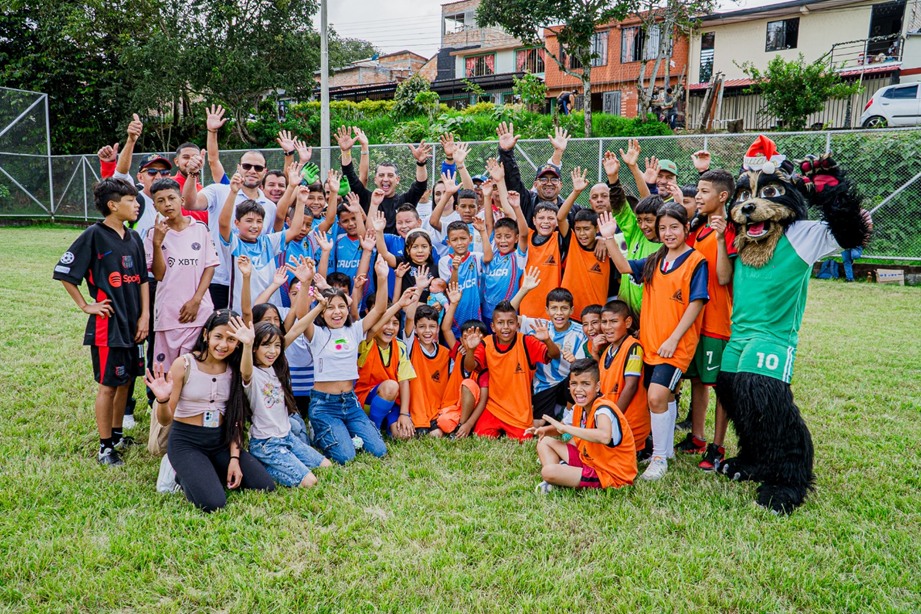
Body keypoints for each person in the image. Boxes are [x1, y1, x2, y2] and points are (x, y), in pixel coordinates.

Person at [600, 205, 708, 481]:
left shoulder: (697, 261)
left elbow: (696, 303)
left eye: (674, 227)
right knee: (665, 397)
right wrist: (609, 237)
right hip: (649, 343)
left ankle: (659, 458)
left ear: (686, 228)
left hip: (674, 346)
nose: (668, 233)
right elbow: (624, 266)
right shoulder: (654, 260)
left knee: (656, 397)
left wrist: (673, 339)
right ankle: (667, 449)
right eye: (663, 228)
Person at [54, 178, 149, 466]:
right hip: (109, 326)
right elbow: (65, 273)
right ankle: (105, 447)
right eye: (131, 200)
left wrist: (145, 316)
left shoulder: (133, 237)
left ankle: (118, 433)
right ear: (113, 205)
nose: (137, 204)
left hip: (135, 324)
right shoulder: (94, 235)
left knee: (126, 382)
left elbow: (143, 279)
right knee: (108, 385)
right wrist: (86, 305)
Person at [143, 311, 275, 512]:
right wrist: (163, 400)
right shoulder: (185, 364)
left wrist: (234, 459)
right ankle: (177, 471)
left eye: (231, 339)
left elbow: (236, 420)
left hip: (220, 441)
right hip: (186, 443)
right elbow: (165, 419)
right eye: (218, 337)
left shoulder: (234, 368)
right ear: (206, 335)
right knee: (214, 503)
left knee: (265, 485)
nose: (223, 345)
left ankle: (206, 469)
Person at [300, 257, 394, 464]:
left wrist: (382, 277)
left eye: (341, 306)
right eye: (330, 307)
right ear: (322, 312)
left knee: (379, 452)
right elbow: (301, 315)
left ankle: (344, 432)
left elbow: (379, 309)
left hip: (350, 402)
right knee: (346, 457)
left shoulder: (354, 330)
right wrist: (306, 282)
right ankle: (318, 429)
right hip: (324, 405)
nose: (337, 312)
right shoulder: (316, 334)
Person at [675, 169, 737, 470]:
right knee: (698, 380)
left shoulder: (732, 229)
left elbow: (725, 278)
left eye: (703, 192)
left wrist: (722, 238)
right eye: (696, 192)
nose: (697, 197)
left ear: (722, 196)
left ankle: (718, 445)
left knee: (719, 385)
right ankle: (697, 436)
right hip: (694, 320)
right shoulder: (697, 228)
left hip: (717, 321)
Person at [236, 317, 333, 489]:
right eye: (266, 345)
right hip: (267, 443)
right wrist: (247, 344)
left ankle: (284, 458)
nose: (273, 351)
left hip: (288, 436)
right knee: (310, 481)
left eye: (277, 345)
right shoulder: (252, 375)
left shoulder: (275, 365)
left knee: (326, 466)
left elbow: (296, 330)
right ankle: (261, 466)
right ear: (255, 347)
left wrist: (319, 308)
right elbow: (245, 370)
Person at [182, 148, 278, 309]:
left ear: (265, 172)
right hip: (217, 279)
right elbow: (190, 203)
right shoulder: (218, 190)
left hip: (249, 284)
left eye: (258, 168)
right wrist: (192, 174)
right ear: (238, 167)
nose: (252, 171)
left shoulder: (270, 206)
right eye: (247, 166)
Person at [528, 358, 637, 493]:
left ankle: (558, 477)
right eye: (574, 384)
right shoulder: (579, 408)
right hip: (587, 460)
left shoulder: (603, 409)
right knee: (544, 442)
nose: (578, 389)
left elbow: (604, 436)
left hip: (610, 473)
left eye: (585, 384)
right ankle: (560, 479)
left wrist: (565, 429)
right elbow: (560, 428)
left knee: (548, 471)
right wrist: (543, 430)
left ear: (597, 386)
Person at [144, 178, 219, 370]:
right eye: (161, 201)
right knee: (166, 372)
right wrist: (157, 243)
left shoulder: (200, 229)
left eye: (171, 198)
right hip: (168, 314)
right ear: (155, 206)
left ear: (182, 200)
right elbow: (158, 275)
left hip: (198, 313)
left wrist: (196, 300)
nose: (167, 204)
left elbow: (209, 267)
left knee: (196, 369)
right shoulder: (154, 234)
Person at [464, 300, 560, 441]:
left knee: (523, 441)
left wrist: (547, 340)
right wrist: (471, 350)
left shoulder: (526, 342)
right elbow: (469, 367)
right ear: (493, 326)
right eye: (500, 323)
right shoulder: (486, 343)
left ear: (517, 325)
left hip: (519, 412)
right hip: (493, 408)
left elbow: (555, 355)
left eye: (510, 322)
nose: (506, 327)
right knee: (481, 437)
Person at [218, 167, 306, 313]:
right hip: (243, 314)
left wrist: (301, 202)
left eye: (259, 221)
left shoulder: (268, 242)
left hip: (271, 312)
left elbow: (294, 230)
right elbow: (223, 223)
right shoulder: (233, 244)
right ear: (237, 223)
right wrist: (233, 192)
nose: (255, 226)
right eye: (249, 221)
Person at [335, 125, 429, 234]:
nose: (385, 179)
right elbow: (350, 177)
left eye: (390, 175)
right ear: (375, 179)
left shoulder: (404, 201)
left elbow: (420, 186)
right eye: (381, 175)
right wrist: (346, 151)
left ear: (397, 179)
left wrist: (421, 163)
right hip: (372, 248)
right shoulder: (366, 197)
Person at [355, 288, 420, 439]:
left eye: (395, 323)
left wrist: (404, 414)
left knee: (403, 435)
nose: (390, 327)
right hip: (365, 399)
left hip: (391, 402)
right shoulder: (366, 342)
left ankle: (385, 422)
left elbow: (404, 382)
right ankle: (374, 430)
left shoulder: (400, 346)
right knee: (391, 386)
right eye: (386, 322)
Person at [521, 288, 587, 427]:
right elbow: (509, 315)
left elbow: (585, 366)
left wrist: (575, 360)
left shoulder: (580, 332)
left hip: (568, 383)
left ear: (571, 310)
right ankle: (556, 407)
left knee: (574, 376)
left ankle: (568, 414)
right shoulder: (540, 326)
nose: (559, 313)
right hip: (545, 385)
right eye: (554, 308)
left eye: (564, 308)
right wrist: (524, 289)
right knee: (539, 424)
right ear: (547, 309)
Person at [598, 300, 650, 459]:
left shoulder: (634, 347)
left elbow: (631, 386)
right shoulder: (607, 350)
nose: (607, 327)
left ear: (627, 322)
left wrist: (612, 417)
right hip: (609, 422)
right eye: (604, 322)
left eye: (613, 321)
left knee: (598, 454)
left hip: (626, 424)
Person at [482, 160, 528, 325]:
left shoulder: (518, 257)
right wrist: (487, 196)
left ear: (515, 238)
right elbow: (489, 225)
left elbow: (524, 234)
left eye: (508, 237)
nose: (503, 240)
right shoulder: (491, 253)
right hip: (487, 314)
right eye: (499, 236)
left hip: (509, 315)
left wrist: (516, 208)